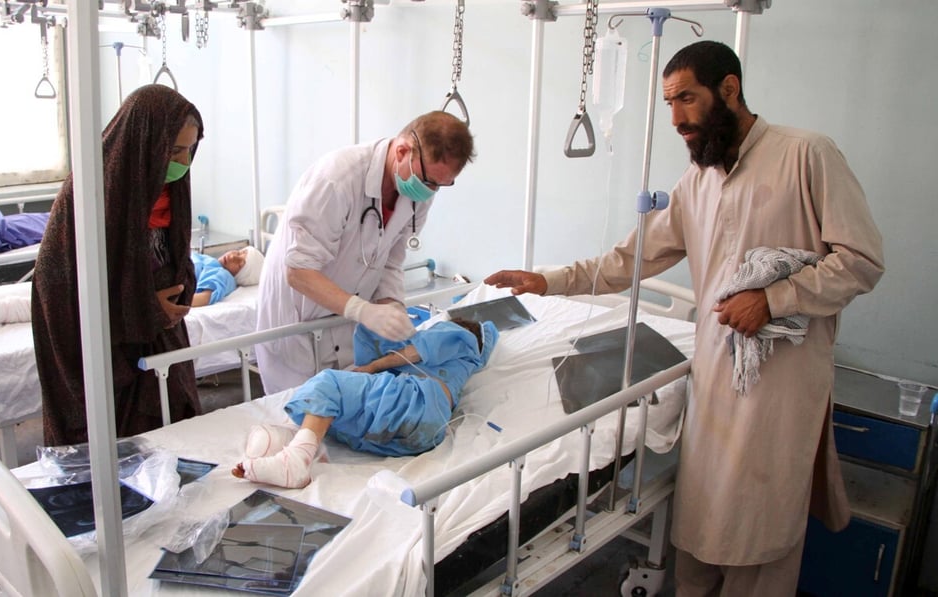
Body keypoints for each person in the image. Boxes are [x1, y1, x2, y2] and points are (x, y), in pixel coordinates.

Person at [484, 41, 884, 595]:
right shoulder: (698, 182)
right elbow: (629, 260)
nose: (676, 119)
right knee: (700, 532)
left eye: (687, 100)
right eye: (669, 103)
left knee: (761, 538)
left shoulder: (806, 155)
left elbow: (861, 262)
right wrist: (547, 280)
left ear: (729, 90)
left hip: (781, 384)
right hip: (715, 378)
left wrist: (774, 299)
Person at [254, 111, 475, 395]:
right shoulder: (336, 180)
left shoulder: (419, 194)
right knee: (298, 415)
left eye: (440, 185)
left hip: (342, 328)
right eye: (427, 180)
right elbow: (298, 272)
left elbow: (391, 259)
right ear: (402, 150)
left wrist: (392, 304)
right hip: (297, 326)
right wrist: (362, 310)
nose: (430, 191)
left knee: (340, 415)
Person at [32, 84, 205, 446]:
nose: (183, 163)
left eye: (190, 150)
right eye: (174, 150)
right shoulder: (90, 194)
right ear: (146, 143)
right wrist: (143, 309)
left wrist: (179, 291)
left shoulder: (170, 189)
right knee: (125, 459)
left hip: (162, 344)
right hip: (113, 359)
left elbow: (175, 257)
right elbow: (57, 290)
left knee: (177, 444)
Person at [233, 317, 498, 488]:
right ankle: (304, 445)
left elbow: (416, 350)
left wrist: (371, 367)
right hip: (420, 433)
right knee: (340, 408)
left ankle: (296, 459)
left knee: (329, 383)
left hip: (415, 400)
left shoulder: (459, 335)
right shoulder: (465, 364)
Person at [0, 247, 261, 328]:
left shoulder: (223, 279)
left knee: (71, 303)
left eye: (241, 260)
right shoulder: (209, 259)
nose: (234, 255)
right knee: (59, 290)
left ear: (242, 275)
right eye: (240, 251)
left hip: (151, 294)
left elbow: (200, 299)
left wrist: (155, 303)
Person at [190, 246, 263, 307]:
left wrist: (179, 302)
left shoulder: (224, 275)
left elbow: (205, 298)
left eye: (240, 264)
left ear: (241, 276)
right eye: (239, 253)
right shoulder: (212, 261)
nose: (232, 257)